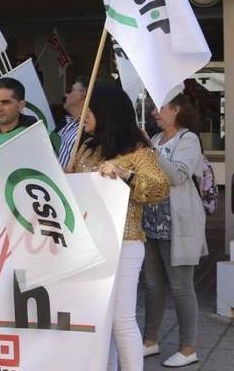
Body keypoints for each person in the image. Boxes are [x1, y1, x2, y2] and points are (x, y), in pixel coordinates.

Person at [71, 81, 169, 371]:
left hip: (124, 243)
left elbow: (159, 188)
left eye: (89, 109)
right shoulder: (86, 149)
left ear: (106, 111)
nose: (83, 114)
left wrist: (125, 174)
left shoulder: (138, 150)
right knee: (100, 319)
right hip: (89, 244)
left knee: (121, 319)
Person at [142, 93, 207, 367]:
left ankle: (188, 347)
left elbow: (178, 175)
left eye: (160, 107)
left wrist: (150, 152)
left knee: (181, 287)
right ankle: (150, 340)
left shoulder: (188, 139)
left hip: (178, 224)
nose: (155, 112)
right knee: (153, 285)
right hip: (152, 222)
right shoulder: (156, 139)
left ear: (177, 109)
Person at [55, 77, 87, 170]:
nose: (65, 94)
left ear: (82, 94)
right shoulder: (64, 122)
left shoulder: (89, 129)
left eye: (70, 90)